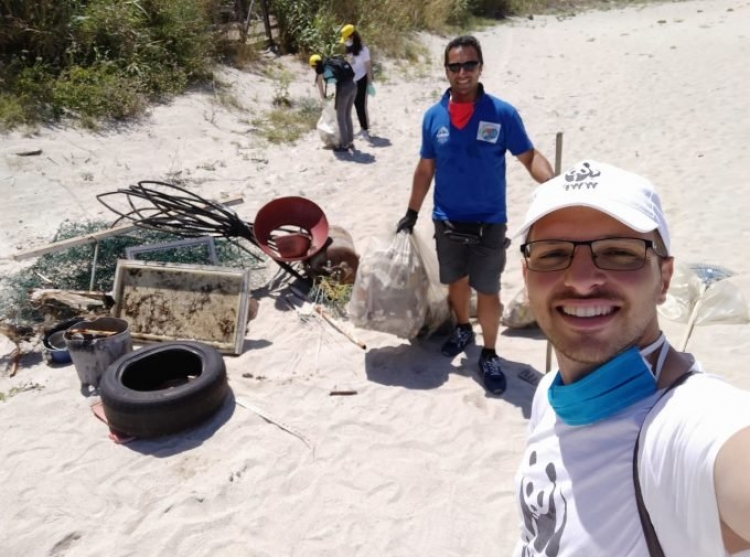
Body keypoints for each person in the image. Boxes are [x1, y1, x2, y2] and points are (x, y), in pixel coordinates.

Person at [512, 159, 750, 556]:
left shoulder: (685, 427)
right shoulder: (549, 394)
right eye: (553, 254)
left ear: (665, 278)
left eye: (619, 253)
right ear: (525, 275)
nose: (582, 279)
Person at [396, 35, 553, 395]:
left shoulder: (502, 114)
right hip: (447, 217)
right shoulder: (433, 117)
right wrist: (411, 212)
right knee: (456, 282)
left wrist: (555, 186)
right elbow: (425, 167)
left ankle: (490, 352)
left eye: (469, 64)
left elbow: (529, 157)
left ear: (481, 67)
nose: (462, 72)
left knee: (488, 289)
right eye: (455, 66)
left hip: (489, 220)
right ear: (446, 71)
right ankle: (463, 327)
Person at [309, 53, 357, 152]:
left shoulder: (320, 70)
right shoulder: (331, 63)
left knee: (340, 117)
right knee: (347, 115)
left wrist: (323, 98)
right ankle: (350, 142)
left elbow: (320, 84)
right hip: (353, 86)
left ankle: (344, 145)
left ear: (314, 65)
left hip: (344, 89)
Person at [340, 24, 374, 139]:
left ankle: (365, 130)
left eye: (347, 39)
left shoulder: (364, 50)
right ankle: (362, 128)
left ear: (352, 37)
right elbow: (351, 64)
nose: (346, 41)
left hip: (362, 79)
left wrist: (369, 83)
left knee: (360, 105)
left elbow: (368, 66)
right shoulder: (348, 49)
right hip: (352, 80)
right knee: (355, 104)